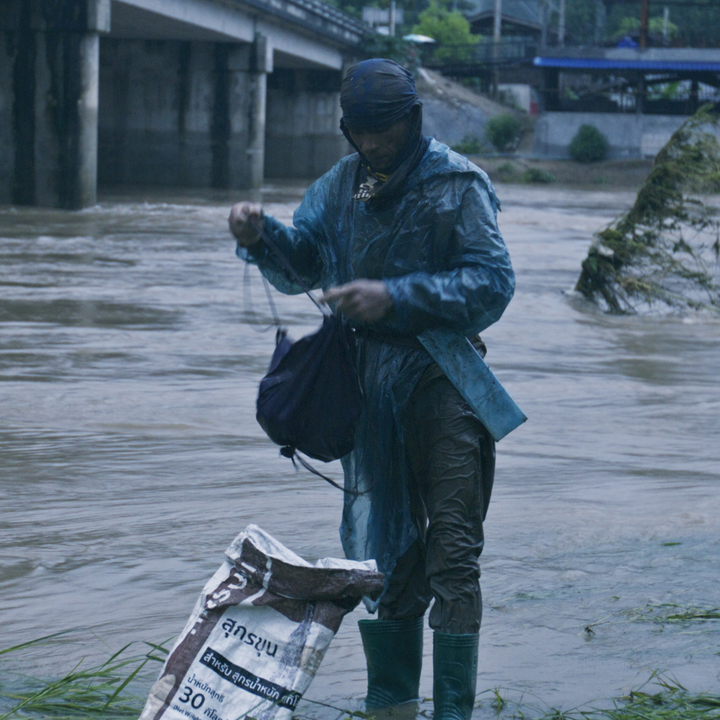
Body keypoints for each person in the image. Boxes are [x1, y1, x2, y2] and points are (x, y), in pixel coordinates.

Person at [229, 58, 514, 720]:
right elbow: (303, 261)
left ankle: (451, 712)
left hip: (445, 383)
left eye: (385, 131)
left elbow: (493, 284)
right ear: (348, 131)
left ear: (412, 121)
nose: (375, 145)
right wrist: (261, 234)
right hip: (369, 395)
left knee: (452, 550)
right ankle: (389, 704)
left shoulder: (456, 185)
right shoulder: (343, 188)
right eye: (363, 133)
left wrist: (395, 297)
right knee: (385, 554)